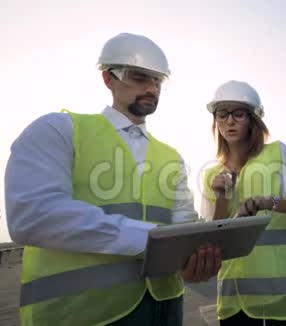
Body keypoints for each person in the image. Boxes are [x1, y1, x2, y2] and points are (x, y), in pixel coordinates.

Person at [4, 32, 221, 326]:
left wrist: (193, 262)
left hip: (166, 310)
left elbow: (183, 227)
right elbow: (33, 215)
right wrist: (153, 241)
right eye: (139, 77)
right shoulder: (59, 130)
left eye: (157, 81)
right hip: (80, 316)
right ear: (109, 78)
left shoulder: (172, 157)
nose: (151, 88)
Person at [201, 80, 286, 325]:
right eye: (222, 114)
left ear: (253, 119)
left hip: (283, 293)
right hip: (235, 299)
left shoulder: (277, 153)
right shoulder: (211, 176)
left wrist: (269, 201)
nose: (230, 121)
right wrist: (222, 198)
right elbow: (214, 240)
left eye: (239, 113)